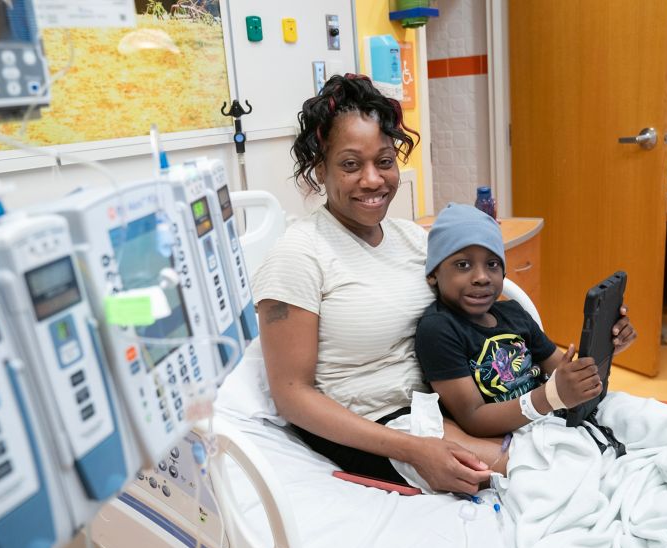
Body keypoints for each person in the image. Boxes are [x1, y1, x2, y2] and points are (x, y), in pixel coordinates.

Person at [252, 74, 502, 494]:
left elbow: (492, 307)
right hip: (376, 426)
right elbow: (292, 394)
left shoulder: (413, 239)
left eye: (384, 161)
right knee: (526, 469)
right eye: (351, 164)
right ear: (320, 169)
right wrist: (413, 449)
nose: (373, 180)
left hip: (442, 404)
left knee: (562, 440)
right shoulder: (298, 255)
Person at [415, 203, 637, 439]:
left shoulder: (514, 313)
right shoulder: (438, 329)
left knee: (650, 419)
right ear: (433, 274)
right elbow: (473, 417)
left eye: (492, 264)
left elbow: (560, 369)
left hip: (554, 417)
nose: (481, 277)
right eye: (463, 265)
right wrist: (550, 396)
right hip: (517, 439)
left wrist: (607, 344)